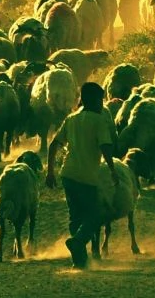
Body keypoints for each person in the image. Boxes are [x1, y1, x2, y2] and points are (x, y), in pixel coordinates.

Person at [45, 82, 120, 269]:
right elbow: (105, 146)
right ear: (92, 100)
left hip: (68, 174)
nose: (102, 105)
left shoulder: (71, 119)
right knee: (96, 215)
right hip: (87, 176)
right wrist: (112, 169)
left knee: (75, 217)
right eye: (100, 100)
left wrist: (50, 171)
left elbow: (54, 144)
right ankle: (78, 242)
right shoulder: (99, 120)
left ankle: (79, 260)